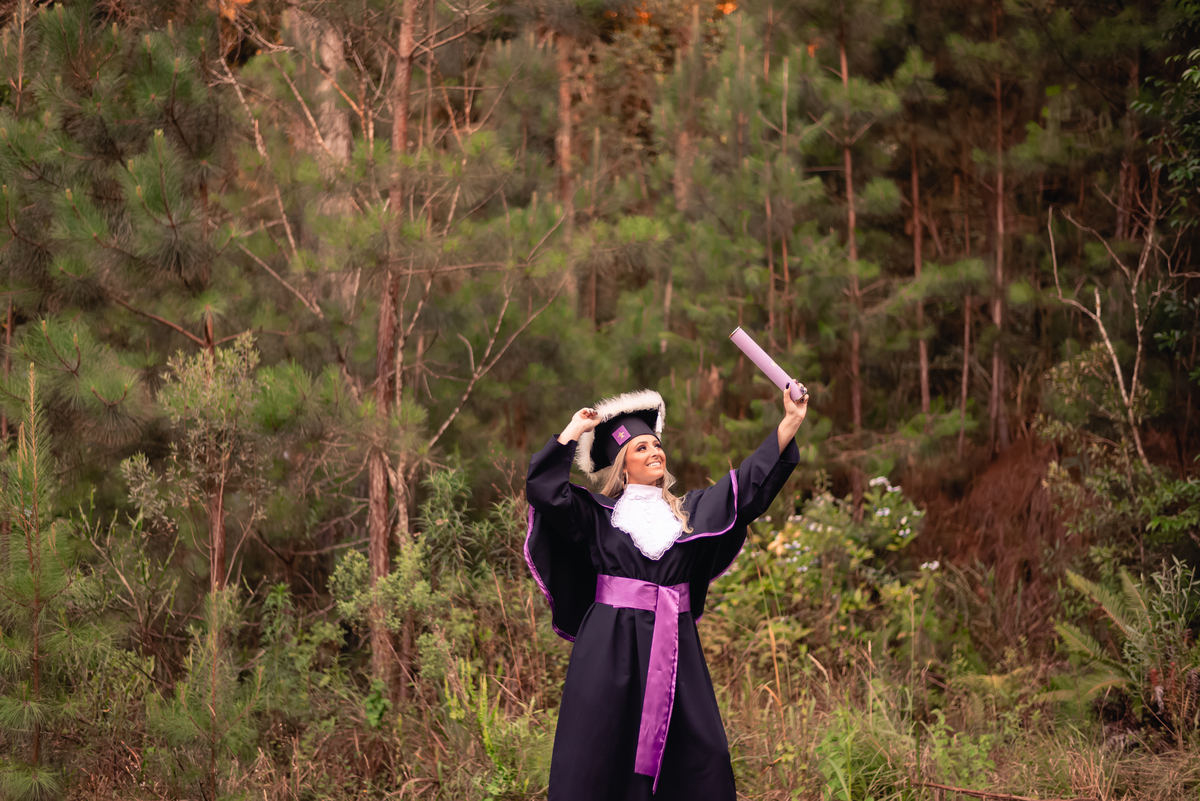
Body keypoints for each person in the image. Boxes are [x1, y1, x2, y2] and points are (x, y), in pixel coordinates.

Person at [524, 383, 808, 800]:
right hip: (609, 648)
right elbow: (545, 491)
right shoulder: (598, 516)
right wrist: (572, 431)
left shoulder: (690, 513)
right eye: (641, 448)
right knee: (601, 749)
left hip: (675, 645)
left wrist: (790, 421)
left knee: (703, 751)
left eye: (656, 445)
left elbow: (747, 485)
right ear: (623, 465)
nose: (654, 452)